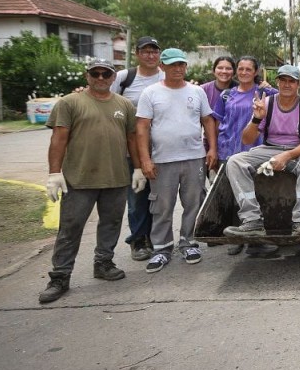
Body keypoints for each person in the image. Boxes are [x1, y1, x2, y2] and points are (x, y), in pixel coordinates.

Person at [38, 59, 142, 304]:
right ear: (87, 76)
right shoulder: (69, 103)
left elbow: (132, 139)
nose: (100, 77)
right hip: (79, 179)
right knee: (70, 229)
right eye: (95, 73)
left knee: (111, 224)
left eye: (106, 73)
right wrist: (54, 173)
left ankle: (103, 263)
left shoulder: (124, 105)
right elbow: (59, 139)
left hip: (115, 178)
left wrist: (137, 168)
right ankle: (60, 276)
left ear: (113, 77)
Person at [136, 48, 218, 273]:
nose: (178, 69)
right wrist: (145, 159)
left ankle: (189, 243)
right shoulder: (151, 93)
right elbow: (142, 128)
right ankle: (161, 248)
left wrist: (212, 148)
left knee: (194, 203)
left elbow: (208, 121)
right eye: (172, 65)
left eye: (181, 65)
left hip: (194, 157)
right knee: (162, 206)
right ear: (162, 67)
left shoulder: (197, 91)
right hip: (162, 160)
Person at [222, 65, 300, 238]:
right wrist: (256, 118)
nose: (286, 85)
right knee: (234, 161)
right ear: (277, 82)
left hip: (297, 151)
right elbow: (246, 139)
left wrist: (286, 156)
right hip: (269, 149)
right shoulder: (266, 103)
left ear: (298, 84)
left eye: (291, 81)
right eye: (283, 80)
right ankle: (251, 220)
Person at [216, 56, 278, 256]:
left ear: (255, 71)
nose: (243, 72)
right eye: (240, 69)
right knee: (234, 195)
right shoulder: (227, 95)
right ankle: (237, 238)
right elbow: (218, 122)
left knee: (255, 193)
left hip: (254, 151)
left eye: (248, 69)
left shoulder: (265, 92)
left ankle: (256, 242)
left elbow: (285, 101)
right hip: (229, 149)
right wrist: (214, 148)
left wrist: (270, 87)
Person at [114, 36, 164, 262]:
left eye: (154, 51)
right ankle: (138, 239)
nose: (150, 55)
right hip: (131, 150)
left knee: (160, 197)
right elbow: (106, 100)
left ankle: (156, 236)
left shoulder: (166, 77)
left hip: (162, 149)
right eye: (146, 51)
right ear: (137, 54)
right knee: (136, 196)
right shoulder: (125, 78)